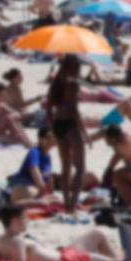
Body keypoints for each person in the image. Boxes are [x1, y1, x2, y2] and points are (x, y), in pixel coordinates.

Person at [0, 204, 119, 261]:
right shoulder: (17, 242)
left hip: (65, 254)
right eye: (25, 217)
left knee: (97, 234)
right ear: (14, 221)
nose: (28, 220)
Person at [46, 54, 89, 214]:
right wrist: (84, 132)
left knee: (65, 168)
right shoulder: (73, 83)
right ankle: (72, 205)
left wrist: (52, 127)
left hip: (58, 125)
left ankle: (66, 204)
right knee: (80, 168)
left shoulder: (56, 81)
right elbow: (73, 110)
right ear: (76, 67)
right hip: (70, 125)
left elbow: (48, 108)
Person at [8, 126, 57, 203]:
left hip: (34, 188)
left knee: (53, 199)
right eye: (48, 137)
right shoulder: (34, 152)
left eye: (54, 137)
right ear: (40, 139)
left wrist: (50, 193)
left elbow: (49, 178)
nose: (52, 140)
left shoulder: (47, 156)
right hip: (23, 185)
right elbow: (34, 171)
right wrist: (43, 191)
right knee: (34, 194)